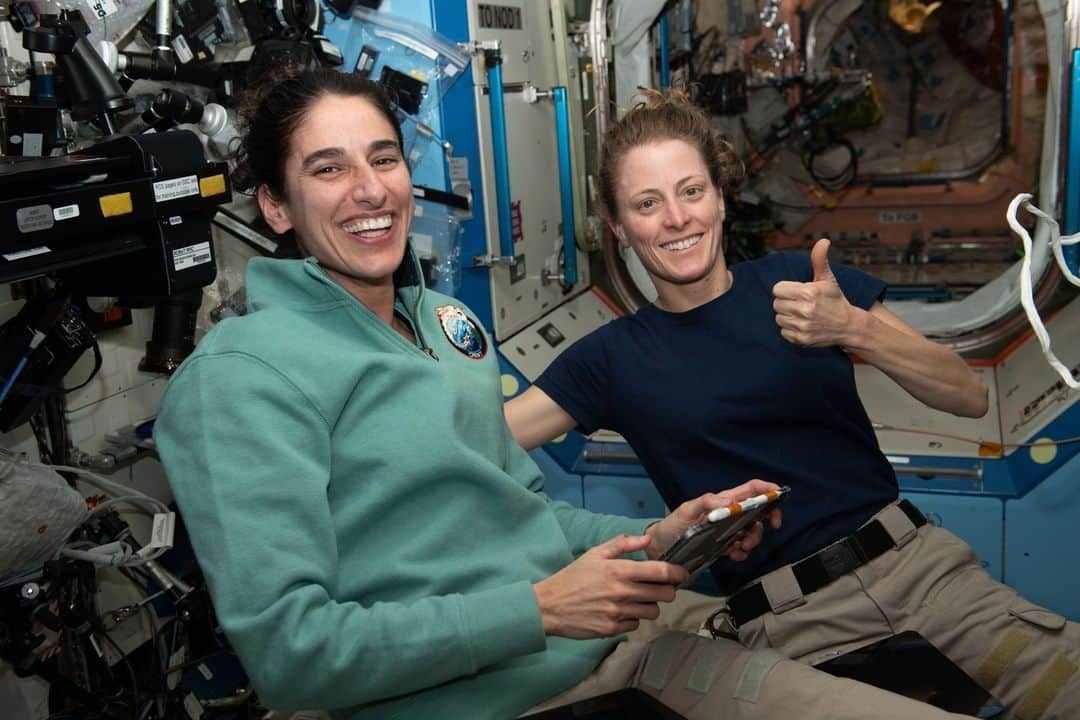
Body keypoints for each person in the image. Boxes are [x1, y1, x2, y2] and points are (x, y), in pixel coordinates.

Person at [151, 70, 986, 720]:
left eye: (384, 159)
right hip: (501, 694)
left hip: (629, 646)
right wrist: (540, 609)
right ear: (274, 204)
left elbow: (519, 513)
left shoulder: (443, 325)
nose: (370, 191)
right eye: (327, 170)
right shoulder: (242, 376)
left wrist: (661, 536)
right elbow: (294, 654)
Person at [505, 88, 1080, 719]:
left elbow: (966, 395)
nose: (676, 218)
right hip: (789, 625)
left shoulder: (803, 286)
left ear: (720, 199)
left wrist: (855, 329)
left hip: (928, 577)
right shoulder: (609, 359)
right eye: (647, 203)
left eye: (691, 191)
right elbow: (481, 447)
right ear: (619, 228)